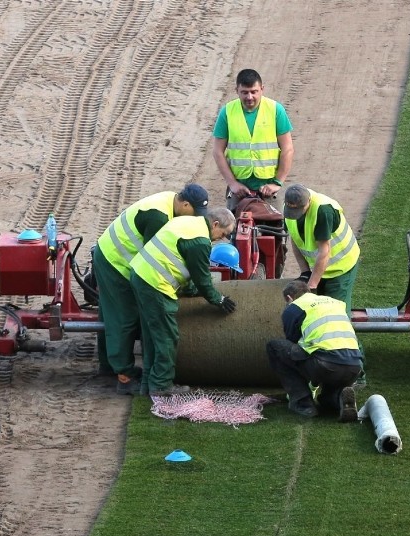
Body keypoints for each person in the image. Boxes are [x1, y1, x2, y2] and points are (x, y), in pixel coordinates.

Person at [93, 183, 210, 395]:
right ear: (184, 204)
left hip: (111, 255)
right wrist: (189, 287)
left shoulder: (169, 201)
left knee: (110, 312)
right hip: (115, 263)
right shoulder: (159, 218)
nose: (196, 218)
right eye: (195, 212)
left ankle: (107, 365)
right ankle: (124, 377)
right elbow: (156, 260)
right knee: (124, 318)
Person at [129, 207, 238, 396]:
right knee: (166, 336)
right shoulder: (200, 241)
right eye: (223, 234)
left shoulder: (189, 223)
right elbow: (202, 278)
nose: (221, 239)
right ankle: (162, 386)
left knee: (151, 334)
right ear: (215, 224)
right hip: (155, 284)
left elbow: (179, 260)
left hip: (139, 274)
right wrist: (218, 299)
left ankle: (148, 383)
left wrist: (190, 289)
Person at [282, 183, 366, 385]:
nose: (294, 215)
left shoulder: (323, 211)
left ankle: (359, 372)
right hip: (318, 265)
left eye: (298, 211)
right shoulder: (291, 211)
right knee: (315, 314)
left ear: (308, 203)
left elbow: (324, 251)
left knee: (337, 317)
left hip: (340, 267)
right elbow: (296, 241)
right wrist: (304, 272)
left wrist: (311, 286)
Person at [266, 280, 362, 420]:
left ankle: (303, 403)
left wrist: (310, 382)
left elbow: (293, 345)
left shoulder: (294, 308)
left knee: (275, 347)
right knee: (326, 398)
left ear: (289, 298)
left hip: (325, 365)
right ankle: (338, 399)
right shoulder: (334, 302)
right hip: (354, 366)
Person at [212, 68, 294, 213]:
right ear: (237, 90)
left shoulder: (275, 110)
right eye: (244, 92)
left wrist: (277, 183)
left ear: (262, 89)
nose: (249, 97)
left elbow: (287, 148)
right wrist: (233, 184)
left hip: (269, 188)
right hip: (240, 189)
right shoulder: (227, 112)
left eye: (254, 91)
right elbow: (218, 151)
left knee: (276, 230)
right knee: (234, 231)